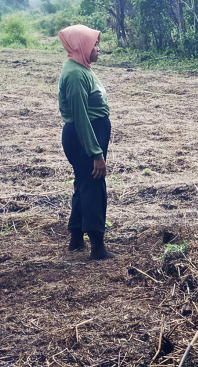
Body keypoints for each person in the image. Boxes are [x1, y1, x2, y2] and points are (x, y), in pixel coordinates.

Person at [58, 25, 114, 259]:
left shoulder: (82, 67)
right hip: (85, 135)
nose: (98, 49)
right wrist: (96, 154)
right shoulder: (74, 75)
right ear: (82, 46)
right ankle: (97, 246)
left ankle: (76, 237)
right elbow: (80, 118)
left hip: (91, 131)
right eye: (95, 44)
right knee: (93, 184)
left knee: (83, 183)